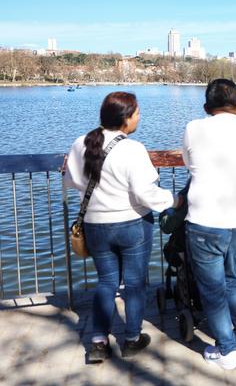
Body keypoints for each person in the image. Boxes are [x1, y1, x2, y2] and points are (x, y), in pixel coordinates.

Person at [64, 92, 176, 362]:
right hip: (131, 224)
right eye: (137, 112)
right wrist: (174, 199)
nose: (139, 117)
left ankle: (99, 342)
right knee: (135, 284)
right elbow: (145, 193)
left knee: (106, 282)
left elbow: (70, 181)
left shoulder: (81, 143)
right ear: (126, 118)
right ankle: (132, 339)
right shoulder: (132, 149)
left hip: (95, 224)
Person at [183, 79, 236, 370]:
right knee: (233, 282)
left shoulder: (194, 129)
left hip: (204, 223)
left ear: (206, 107)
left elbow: (189, 164)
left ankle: (227, 351)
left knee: (212, 289)